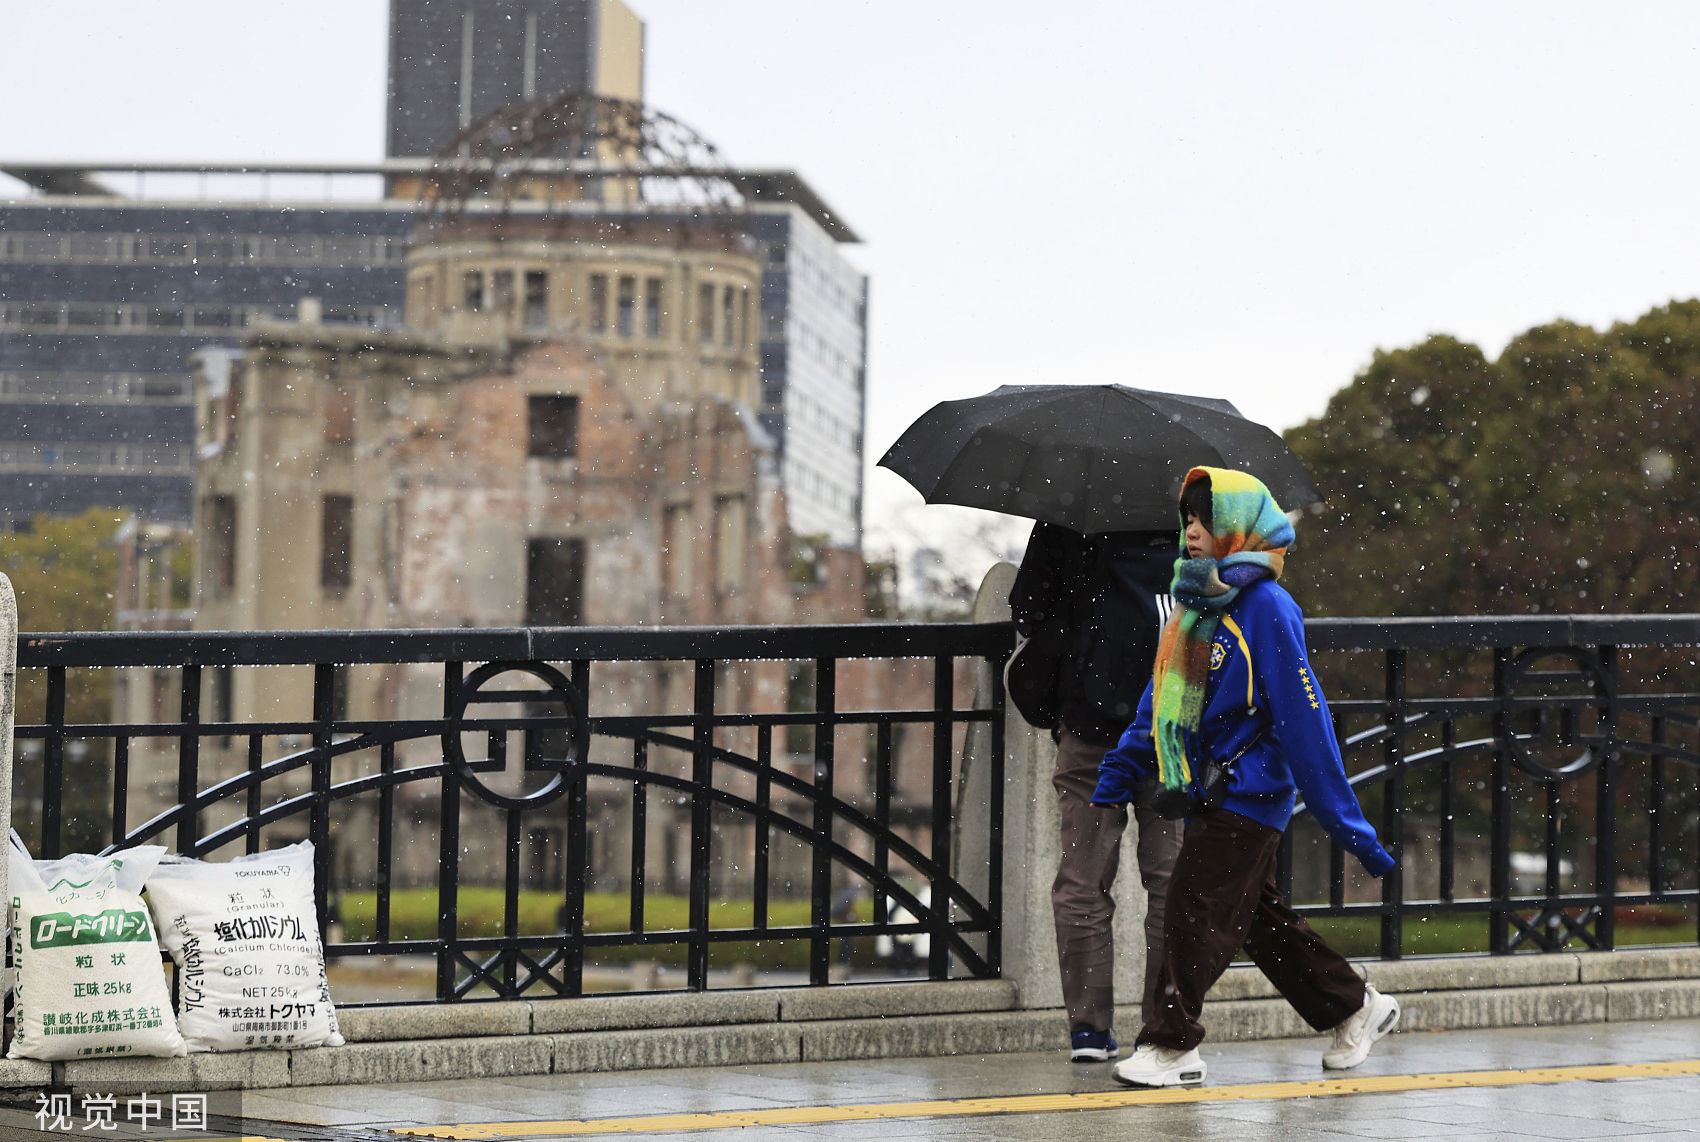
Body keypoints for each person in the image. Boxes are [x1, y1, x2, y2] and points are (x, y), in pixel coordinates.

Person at [1093, 466, 1399, 1089]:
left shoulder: (1267, 607)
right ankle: (1354, 1005)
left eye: (1206, 519)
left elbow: (1304, 720)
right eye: (1188, 519)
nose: (1193, 531)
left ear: (1238, 526)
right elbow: (1161, 696)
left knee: (1190, 909)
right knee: (1259, 921)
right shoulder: (1193, 599)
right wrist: (1122, 766)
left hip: (1251, 791)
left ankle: (1172, 1045)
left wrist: (1353, 830)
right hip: (1208, 787)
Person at [1010, 522, 1184, 1063]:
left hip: (1092, 724)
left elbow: (1028, 610)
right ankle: (1163, 1026)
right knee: (1171, 883)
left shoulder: (1074, 510)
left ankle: (1089, 1030)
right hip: (1169, 722)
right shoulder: (1189, 515)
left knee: (1082, 881)